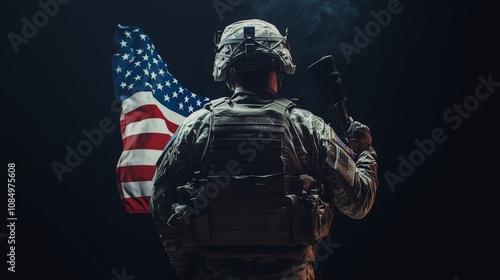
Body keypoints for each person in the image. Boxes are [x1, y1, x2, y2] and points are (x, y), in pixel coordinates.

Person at [150, 19, 378, 280]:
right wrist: (363, 149)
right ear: (279, 65)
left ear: (226, 69)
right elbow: (359, 202)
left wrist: (185, 266)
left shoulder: (196, 126)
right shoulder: (308, 127)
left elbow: (160, 204)